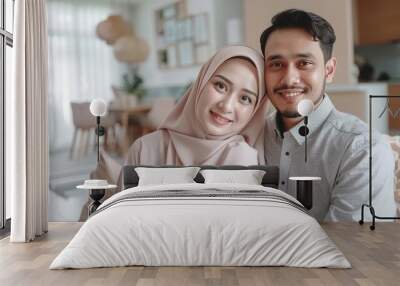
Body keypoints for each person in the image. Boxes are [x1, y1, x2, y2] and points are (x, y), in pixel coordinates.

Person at [259, 9, 396, 221]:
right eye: (276, 64)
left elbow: (348, 246)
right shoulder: (252, 136)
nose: (289, 79)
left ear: (329, 70)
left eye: (304, 63)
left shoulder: (363, 150)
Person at [125, 46, 269, 166]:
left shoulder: (245, 160)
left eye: (245, 98)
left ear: (255, 111)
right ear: (201, 83)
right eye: (220, 86)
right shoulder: (144, 149)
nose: (226, 106)